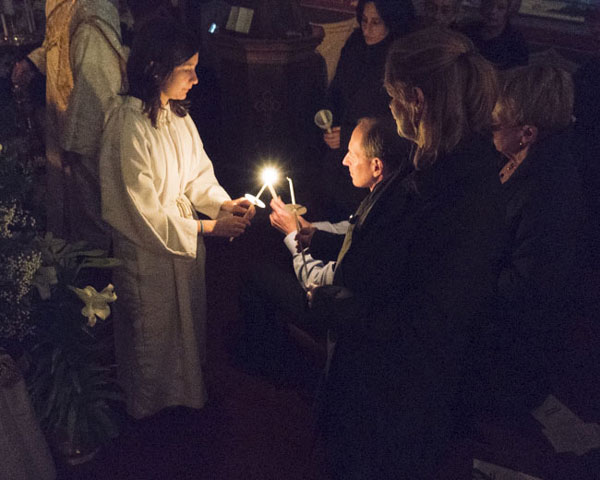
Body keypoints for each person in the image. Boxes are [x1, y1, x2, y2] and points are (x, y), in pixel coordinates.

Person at [312, 27, 505, 479]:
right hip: (386, 378)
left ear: (416, 99)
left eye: (392, 98)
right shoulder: (437, 159)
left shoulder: (459, 191)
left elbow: (425, 317)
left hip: (396, 394)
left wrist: (335, 307)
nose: (389, 108)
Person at [99, 18, 255, 419]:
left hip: (182, 248)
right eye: (187, 70)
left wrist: (224, 206)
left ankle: (185, 401)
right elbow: (141, 211)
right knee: (153, 339)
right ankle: (149, 420)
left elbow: (199, 175)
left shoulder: (177, 117)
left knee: (185, 332)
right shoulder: (126, 126)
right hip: (147, 256)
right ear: (156, 69)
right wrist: (208, 227)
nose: (196, 79)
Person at [235, 117, 410, 384]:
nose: (344, 161)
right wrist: (309, 228)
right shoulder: (390, 193)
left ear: (376, 166)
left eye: (352, 154)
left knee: (255, 275)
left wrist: (293, 237)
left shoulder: (383, 217)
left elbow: (319, 280)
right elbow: (347, 228)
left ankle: (271, 370)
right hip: (355, 301)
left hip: (341, 312)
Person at [483, 64, 585, 411]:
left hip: (509, 349)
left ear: (527, 132)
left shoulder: (549, 190)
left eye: (495, 124)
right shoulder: (517, 161)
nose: (488, 129)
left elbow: (525, 287)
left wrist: (461, 271)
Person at [11, 0, 128, 248]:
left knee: (90, 214)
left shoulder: (92, 15)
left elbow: (94, 88)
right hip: (65, 125)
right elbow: (57, 45)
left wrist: (75, 144)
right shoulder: (63, 4)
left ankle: (96, 282)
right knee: (69, 212)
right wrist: (32, 63)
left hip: (84, 138)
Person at [320, 0, 416, 221]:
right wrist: (327, 115)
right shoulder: (355, 44)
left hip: (373, 154)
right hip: (339, 144)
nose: (367, 29)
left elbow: (396, 117)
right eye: (363, 20)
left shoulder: (399, 56)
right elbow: (337, 89)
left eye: (376, 22)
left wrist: (347, 135)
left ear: (391, 21)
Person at [461, 0, 528, 70]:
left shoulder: (516, 40)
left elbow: (518, 73)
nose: (492, 11)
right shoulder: (468, 30)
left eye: (501, 8)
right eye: (489, 5)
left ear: (509, 12)